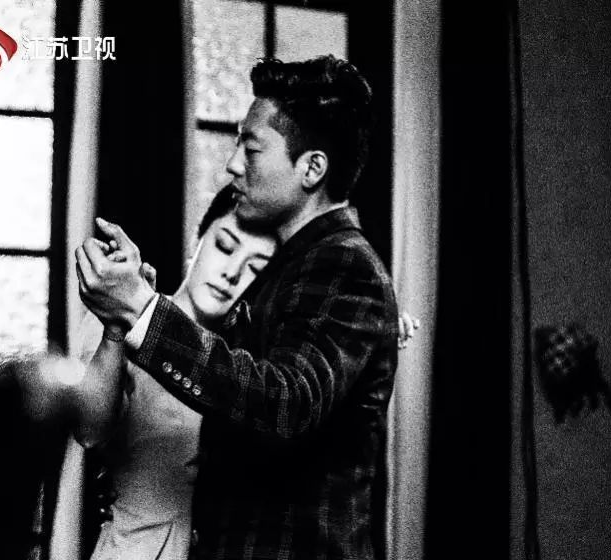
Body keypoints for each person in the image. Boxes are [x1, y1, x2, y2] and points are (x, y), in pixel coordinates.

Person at [76, 55, 400, 560]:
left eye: (251, 149)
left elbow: (284, 404)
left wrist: (142, 310)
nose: (232, 166)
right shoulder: (295, 268)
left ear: (312, 168)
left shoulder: (342, 262)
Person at [71, 185, 277, 560]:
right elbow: (89, 431)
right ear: (198, 242)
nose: (231, 273)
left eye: (255, 268)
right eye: (224, 247)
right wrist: (118, 326)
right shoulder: (122, 317)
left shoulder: (250, 364)